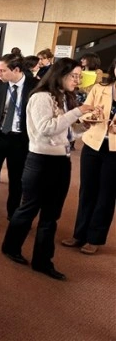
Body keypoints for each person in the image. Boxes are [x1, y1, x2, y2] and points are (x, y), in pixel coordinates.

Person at [1, 58, 96, 281]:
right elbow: (45, 129)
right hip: (40, 160)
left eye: (79, 76)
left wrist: (83, 127)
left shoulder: (62, 97)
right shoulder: (41, 97)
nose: (77, 80)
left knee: (52, 215)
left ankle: (43, 261)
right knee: (28, 209)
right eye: (74, 76)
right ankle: (11, 246)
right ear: (60, 75)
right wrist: (77, 112)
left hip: (61, 161)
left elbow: (65, 133)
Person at [61, 57, 116, 255]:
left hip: (114, 150)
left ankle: (94, 238)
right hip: (93, 143)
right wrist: (91, 117)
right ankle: (79, 234)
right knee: (87, 191)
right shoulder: (100, 88)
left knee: (106, 194)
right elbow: (84, 111)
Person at [0, 54, 39, 222]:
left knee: (17, 179)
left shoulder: (35, 86)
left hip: (21, 139)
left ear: (16, 70)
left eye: (3, 71)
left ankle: (14, 214)